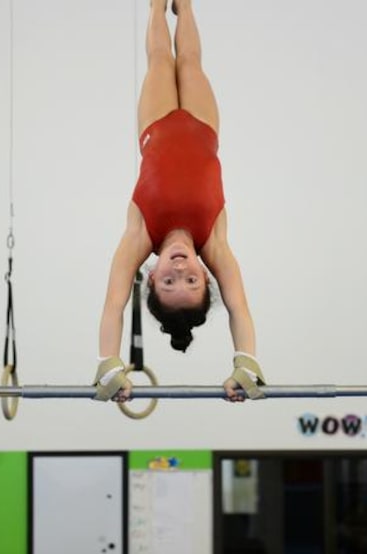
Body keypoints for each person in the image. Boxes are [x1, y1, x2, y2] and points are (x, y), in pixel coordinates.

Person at [94, 0, 265, 403]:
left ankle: (156, 5)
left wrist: (109, 364)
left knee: (158, 58)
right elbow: (239, 307)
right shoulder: (214, 243)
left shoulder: (139, 236)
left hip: (156, 124)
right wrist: (247, 364)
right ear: (207, 278)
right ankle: (184, 4)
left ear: (151, 278)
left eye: (168, 282)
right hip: (203, 126)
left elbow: (114, 304)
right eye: (191, 280)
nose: (179, 268)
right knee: (189, 60)